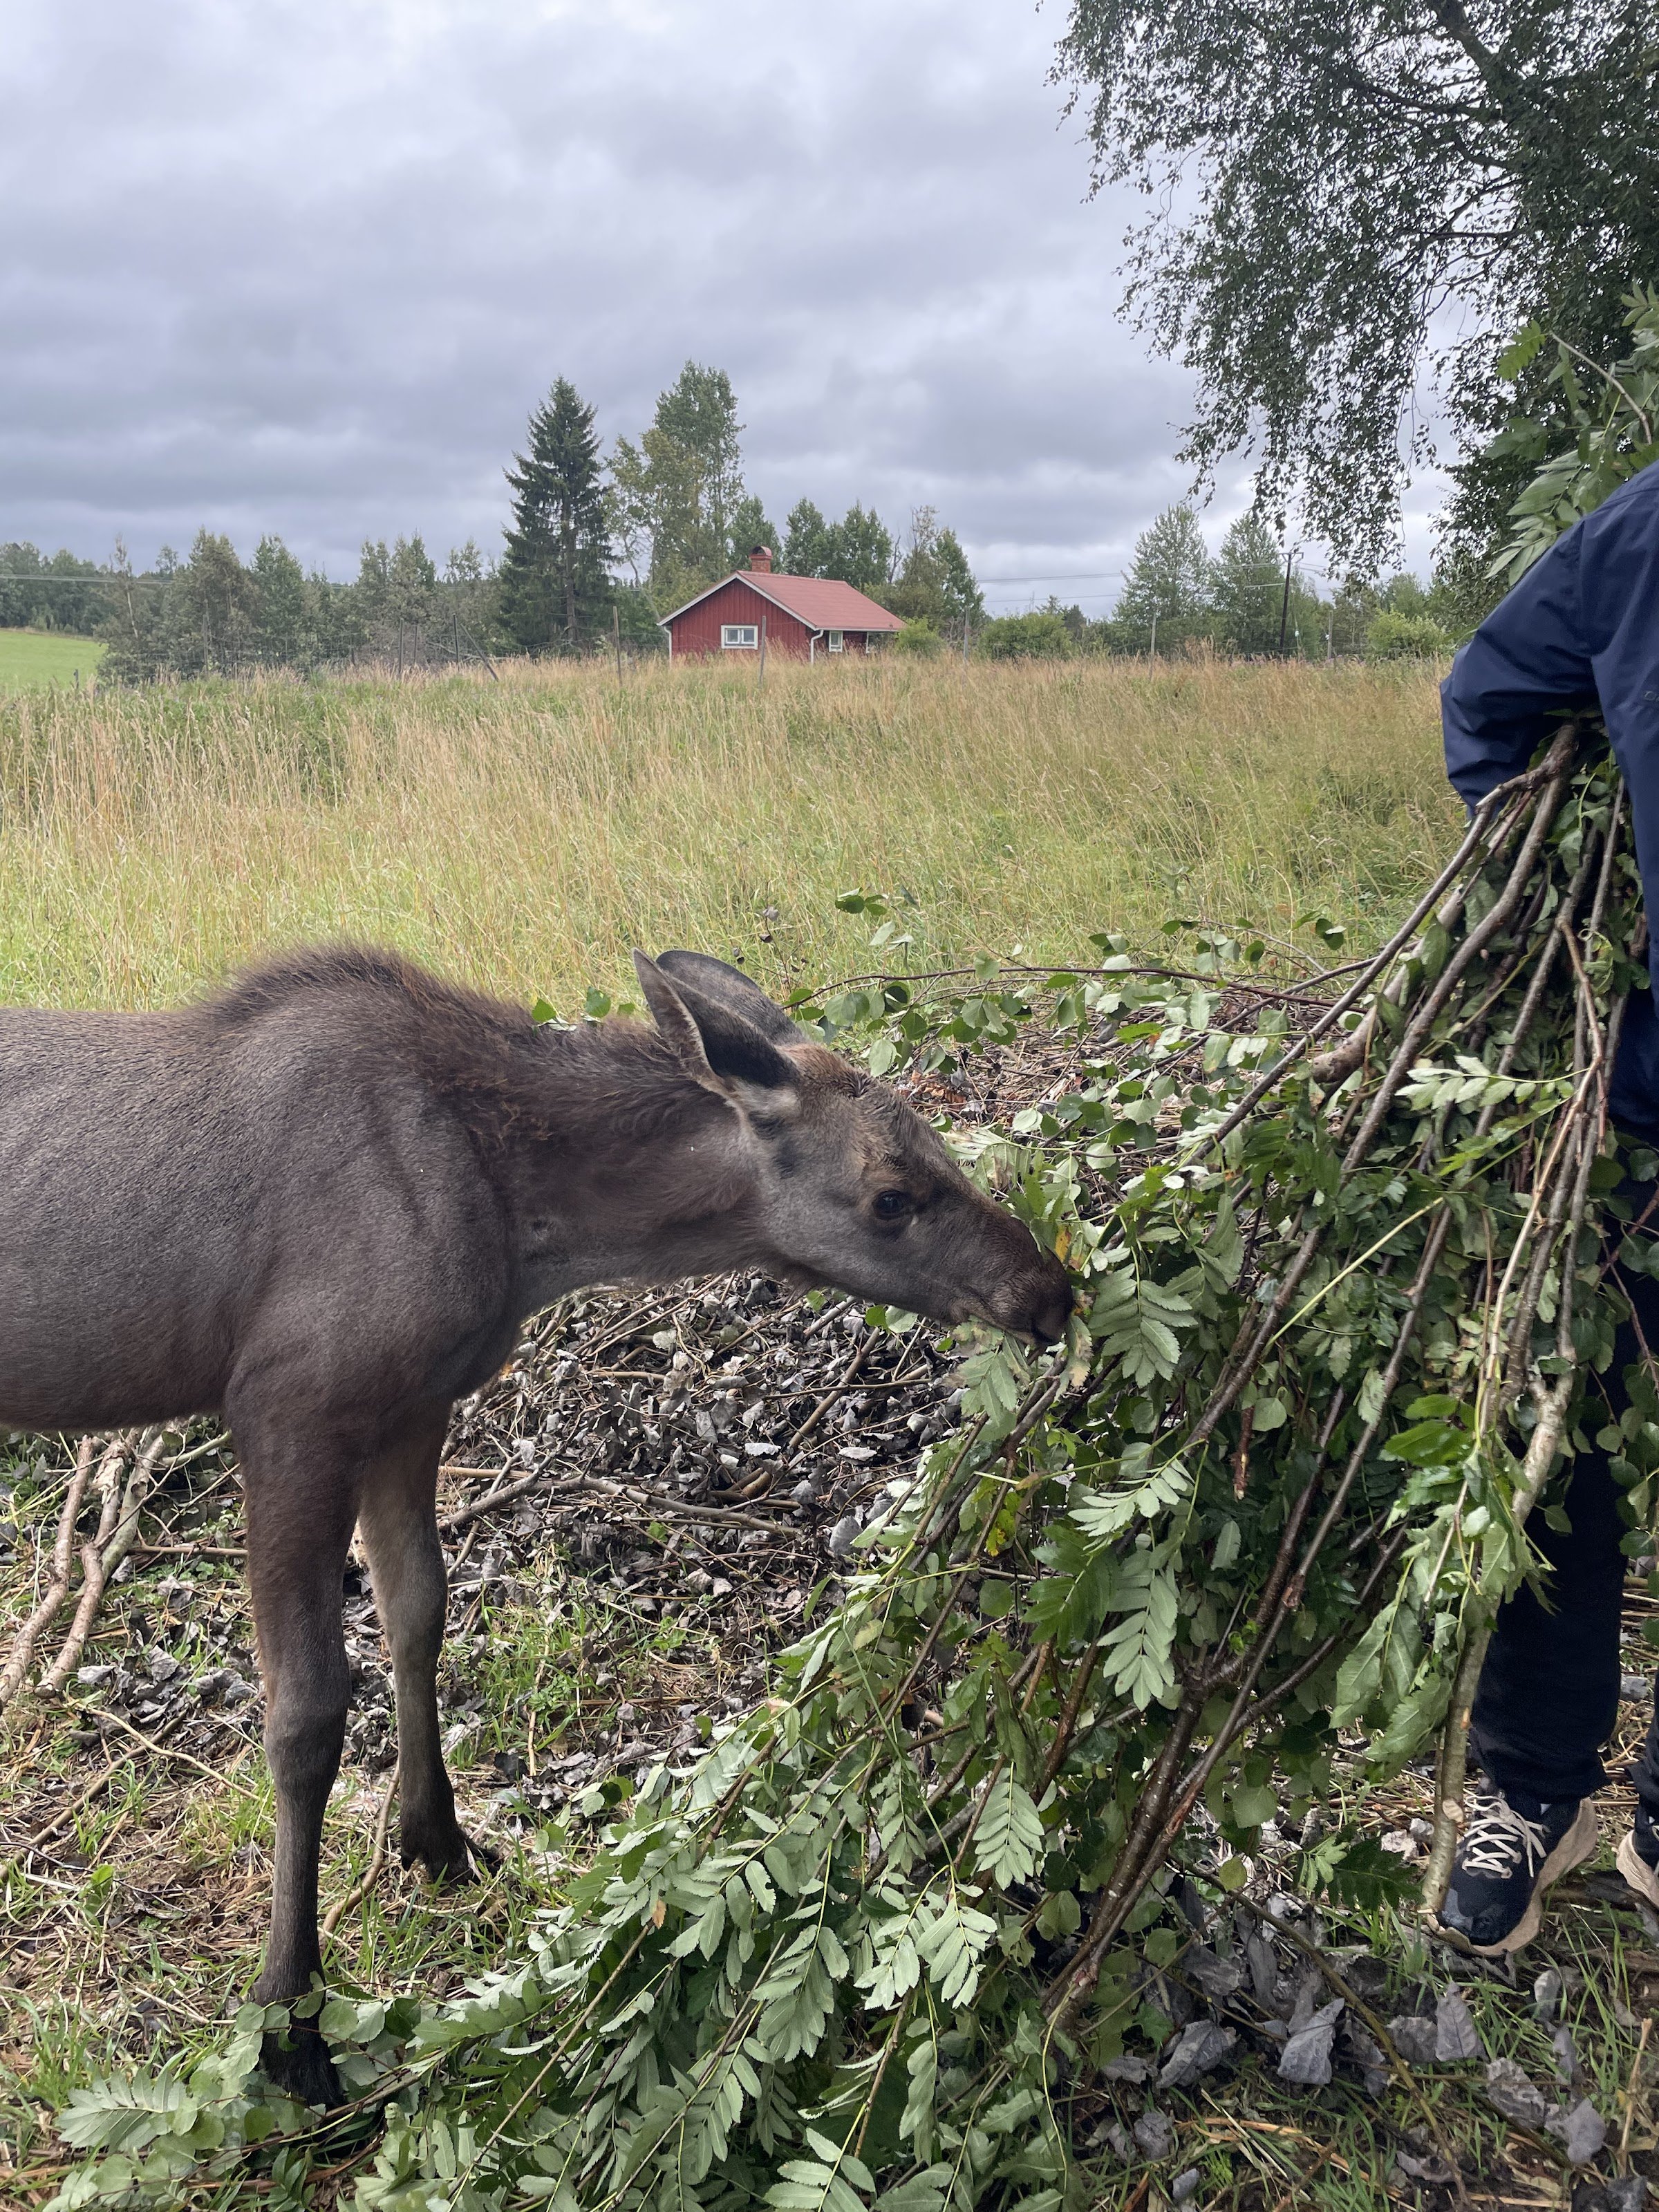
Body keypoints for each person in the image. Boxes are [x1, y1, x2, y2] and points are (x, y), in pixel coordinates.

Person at [1438, 457, 1659, 1953]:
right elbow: (1491, 701)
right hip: (1634, 1104)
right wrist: (1577, 913)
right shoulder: (1644, 535)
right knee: (1566, 1439)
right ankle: (1538, 1788)